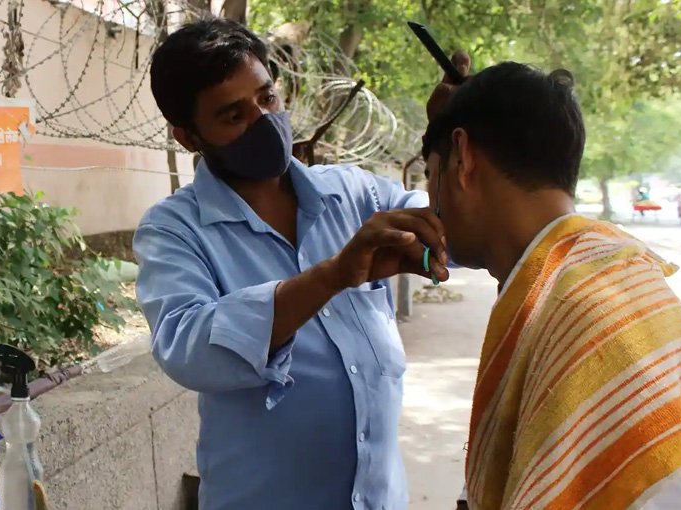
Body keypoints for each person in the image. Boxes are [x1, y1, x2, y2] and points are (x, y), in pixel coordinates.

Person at [133, 19, 448, 510]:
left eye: (267, 99)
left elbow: (440, 219)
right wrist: (332, 276)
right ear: (189, 136)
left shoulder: (353, 194)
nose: (262, 120)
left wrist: (449, 140)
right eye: (234, 116)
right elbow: (187, 346)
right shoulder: (175, 230)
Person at [423, 60, 681, 509]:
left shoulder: (576, 308)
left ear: (463, 159)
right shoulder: (604, 270)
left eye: (432, 177)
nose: (431, 205)